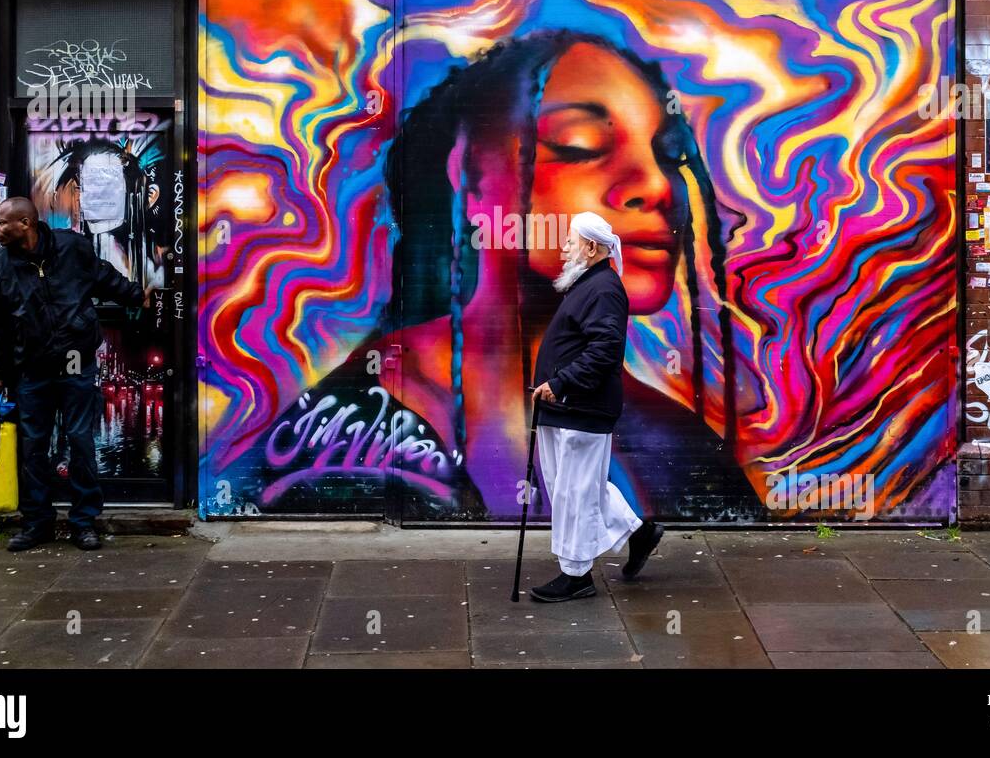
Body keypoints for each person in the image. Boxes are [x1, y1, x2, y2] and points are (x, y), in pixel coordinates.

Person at [234, 30, 764, 523]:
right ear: (471, 178)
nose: (656, 185)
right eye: (579, 145)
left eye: (669, 154)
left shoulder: (673, 441)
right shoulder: (355, 427)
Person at [0, 196, 149, 551]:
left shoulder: (71, 248)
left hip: (75, 361)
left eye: (1, 223)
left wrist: (136, 295)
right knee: (34, 448)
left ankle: (83, 522)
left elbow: (103, 277)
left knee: (81, 441)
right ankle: (37, 522)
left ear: (25, 223)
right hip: (32, 368)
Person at [528, 212, 664, 602]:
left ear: (591, 248)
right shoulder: (588, 284)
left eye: (570, 241)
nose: (564, 247)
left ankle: (577, 575)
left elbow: (605, 350)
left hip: (580, 408)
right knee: (571, 488)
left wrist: (562, 383)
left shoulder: (604, 288)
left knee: (575, 491)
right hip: (566, 407)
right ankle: (640, 534)